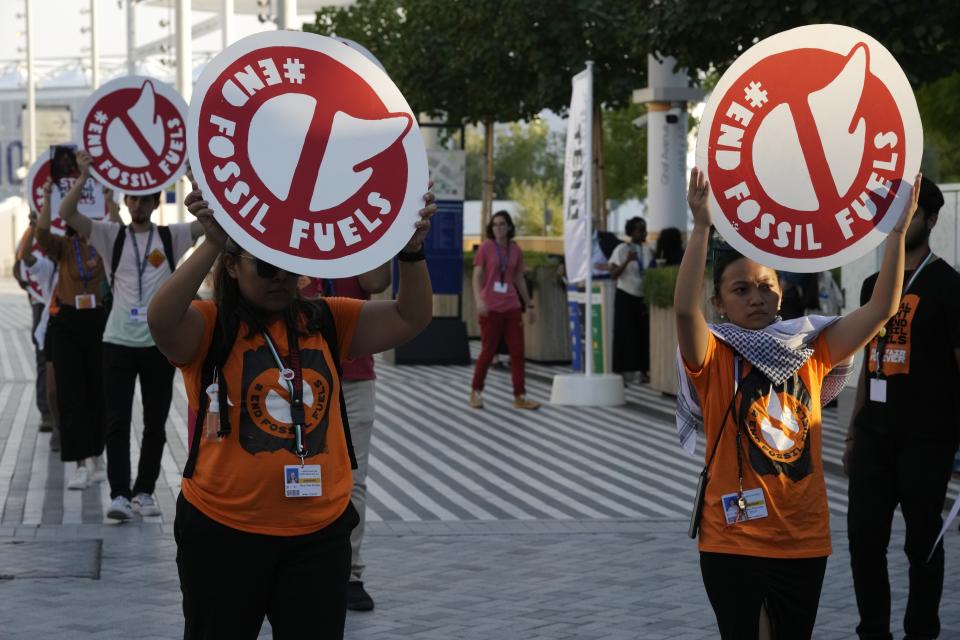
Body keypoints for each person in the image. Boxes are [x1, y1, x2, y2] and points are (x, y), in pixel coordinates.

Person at [147, 182, 435, 639]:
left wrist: (413, 253)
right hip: (223, 533)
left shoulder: (325, 318)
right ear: (234, 269)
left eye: (289, 266)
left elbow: (409, 317)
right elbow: (160, 320)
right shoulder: (209, 326)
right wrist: (215, 241)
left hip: (318, 537)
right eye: (264, 265)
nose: (280, 277)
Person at [674, 167, 921, 638]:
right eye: (740, 290)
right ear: (719, 302)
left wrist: (897, 231)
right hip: (733, 539)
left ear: (782, 294)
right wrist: (702, 226)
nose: (756, 297)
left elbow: (881, 310)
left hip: (803, 540)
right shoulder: (712, 354)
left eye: (766, 286)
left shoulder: (811, 348)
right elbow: (685, 310)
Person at [843, 176, 960, 640]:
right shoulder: (874, 284)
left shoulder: (949, 285)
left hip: (927, 436)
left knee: (922, 543)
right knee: (862, 540)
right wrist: (852, 431)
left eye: (910, 211)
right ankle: (873, 630)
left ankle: (921, 631)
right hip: (874, 433)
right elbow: (866, 362)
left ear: (930, 220)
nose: (899, 219)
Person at [59, 149, 204, 521]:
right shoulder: (110, 236)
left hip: (159, 344)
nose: (138, 204)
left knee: (155, 422)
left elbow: (213, 223)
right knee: (117, 421)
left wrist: (193, 178)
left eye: (145, 199)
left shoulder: (172, 237)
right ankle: (120, 494)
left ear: (157, 202)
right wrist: (85, 176)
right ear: (126, 201)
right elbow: (67, 214)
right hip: (117, 343)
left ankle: (145, 491)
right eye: (133, 198)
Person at [299, 263, 391, 612]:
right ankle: (295, 563)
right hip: (301, 375)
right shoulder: (296, 239)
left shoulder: (354, 243)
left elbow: (376, 282)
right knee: (298, 473)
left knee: (354, 480)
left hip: (354, 376)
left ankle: (350, 572)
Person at [35, 177, 109, 490]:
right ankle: (79, 463)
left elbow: (120, 228)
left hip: (98, 321)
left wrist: (109, 199)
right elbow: (40, 234)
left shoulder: (104, 241)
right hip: (67, 321)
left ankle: (98, 455)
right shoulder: (64, 247)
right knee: (71, 392)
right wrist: (48, 198)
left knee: (99, 391)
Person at [469, 210, 539, 410]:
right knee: (488, 352)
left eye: (502, 224)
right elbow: (477, 276)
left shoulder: (515, 250)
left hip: (512, 306)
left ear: (509, 227)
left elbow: (519, 278)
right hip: (490, 307)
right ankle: (475, 392)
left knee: (517, 352)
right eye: (494, 225)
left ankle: (520, 395)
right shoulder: (485, 248)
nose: (498, 228)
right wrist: (479, 301)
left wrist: (529, 304)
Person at [15, 213, 56, 433]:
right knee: (44, 359)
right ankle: (48, 413)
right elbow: (21, 262)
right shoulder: (32, 234)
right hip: (43, 305)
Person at [609, 216, 652, 383]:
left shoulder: (646, 250)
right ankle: (620, 371)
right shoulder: (621, 249)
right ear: (632, 231)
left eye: (644, 229)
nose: (644, 233)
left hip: (642, 296)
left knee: (642, 334)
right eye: (640, 229)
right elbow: (613, 274)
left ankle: (643, 371)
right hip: (625, 295)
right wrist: (627, 261)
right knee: (623, 333)